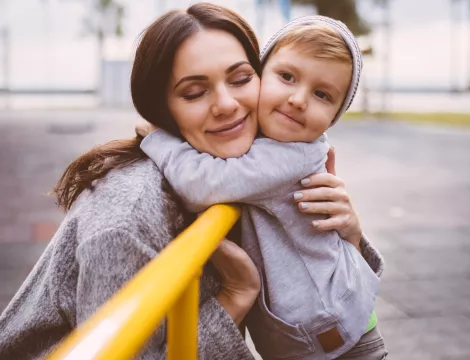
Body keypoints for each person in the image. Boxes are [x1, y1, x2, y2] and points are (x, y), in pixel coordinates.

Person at [0, 4, 383, 360]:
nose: (227, 104)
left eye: (240, 78)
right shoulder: (127, 219)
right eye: (194, 92)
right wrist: (234, 298)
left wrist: (348, 233)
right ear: (159, 105)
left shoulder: (256, 158)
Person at [138, 16, 386, 360]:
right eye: (286, 77)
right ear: (261, 74)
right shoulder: (272, 142)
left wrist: (158, 138)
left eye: (322, 94)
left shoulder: (289, 156)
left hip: (335, 341)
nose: (298, 99)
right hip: (338, 317)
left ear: (332, 119)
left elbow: (202, 184)